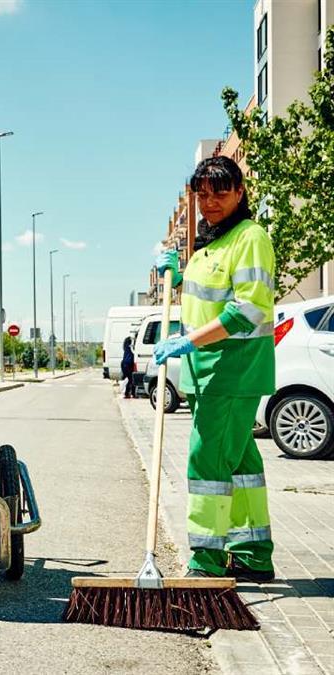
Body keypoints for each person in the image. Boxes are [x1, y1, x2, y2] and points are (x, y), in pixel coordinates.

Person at [153, 156, 274, 582]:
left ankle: (205, 560)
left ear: (240, 191)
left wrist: (188, 340)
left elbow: (250, 309)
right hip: (206, 371)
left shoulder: (250, 237)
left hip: (232, 369)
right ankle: (253, 552)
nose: (209, 202)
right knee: (240, 465)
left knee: (207, 464)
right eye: (201, 194)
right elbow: (209, 297)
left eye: (219, 192)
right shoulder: (211, 245)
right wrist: (180, 274)